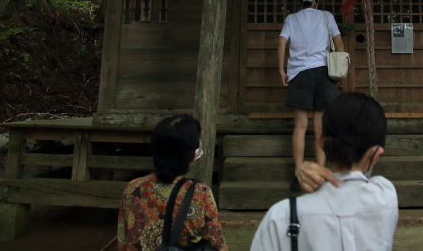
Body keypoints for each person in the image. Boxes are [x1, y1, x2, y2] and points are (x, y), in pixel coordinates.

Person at [250, 93, 398, 251]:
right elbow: (358, 178)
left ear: (320, 141)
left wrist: (301, 168)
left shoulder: (281, 216)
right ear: (376, 155)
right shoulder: (386, 198)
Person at [117, 115, 228, 251]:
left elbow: (123, 241)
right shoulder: (200, 193)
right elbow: (217, 243)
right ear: (192, 154)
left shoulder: (133, 188)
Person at [278, 0, 345, 191]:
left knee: (300, 126)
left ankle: (299, 174)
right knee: (320, 128)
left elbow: (281, 43)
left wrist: (281, 70)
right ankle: (321, 173)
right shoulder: (326, 16)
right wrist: (340, 70)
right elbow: (339, 43)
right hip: (324, 72)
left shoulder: (292, 18)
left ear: (301, 2)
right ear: (317, 2)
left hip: (299, 74)